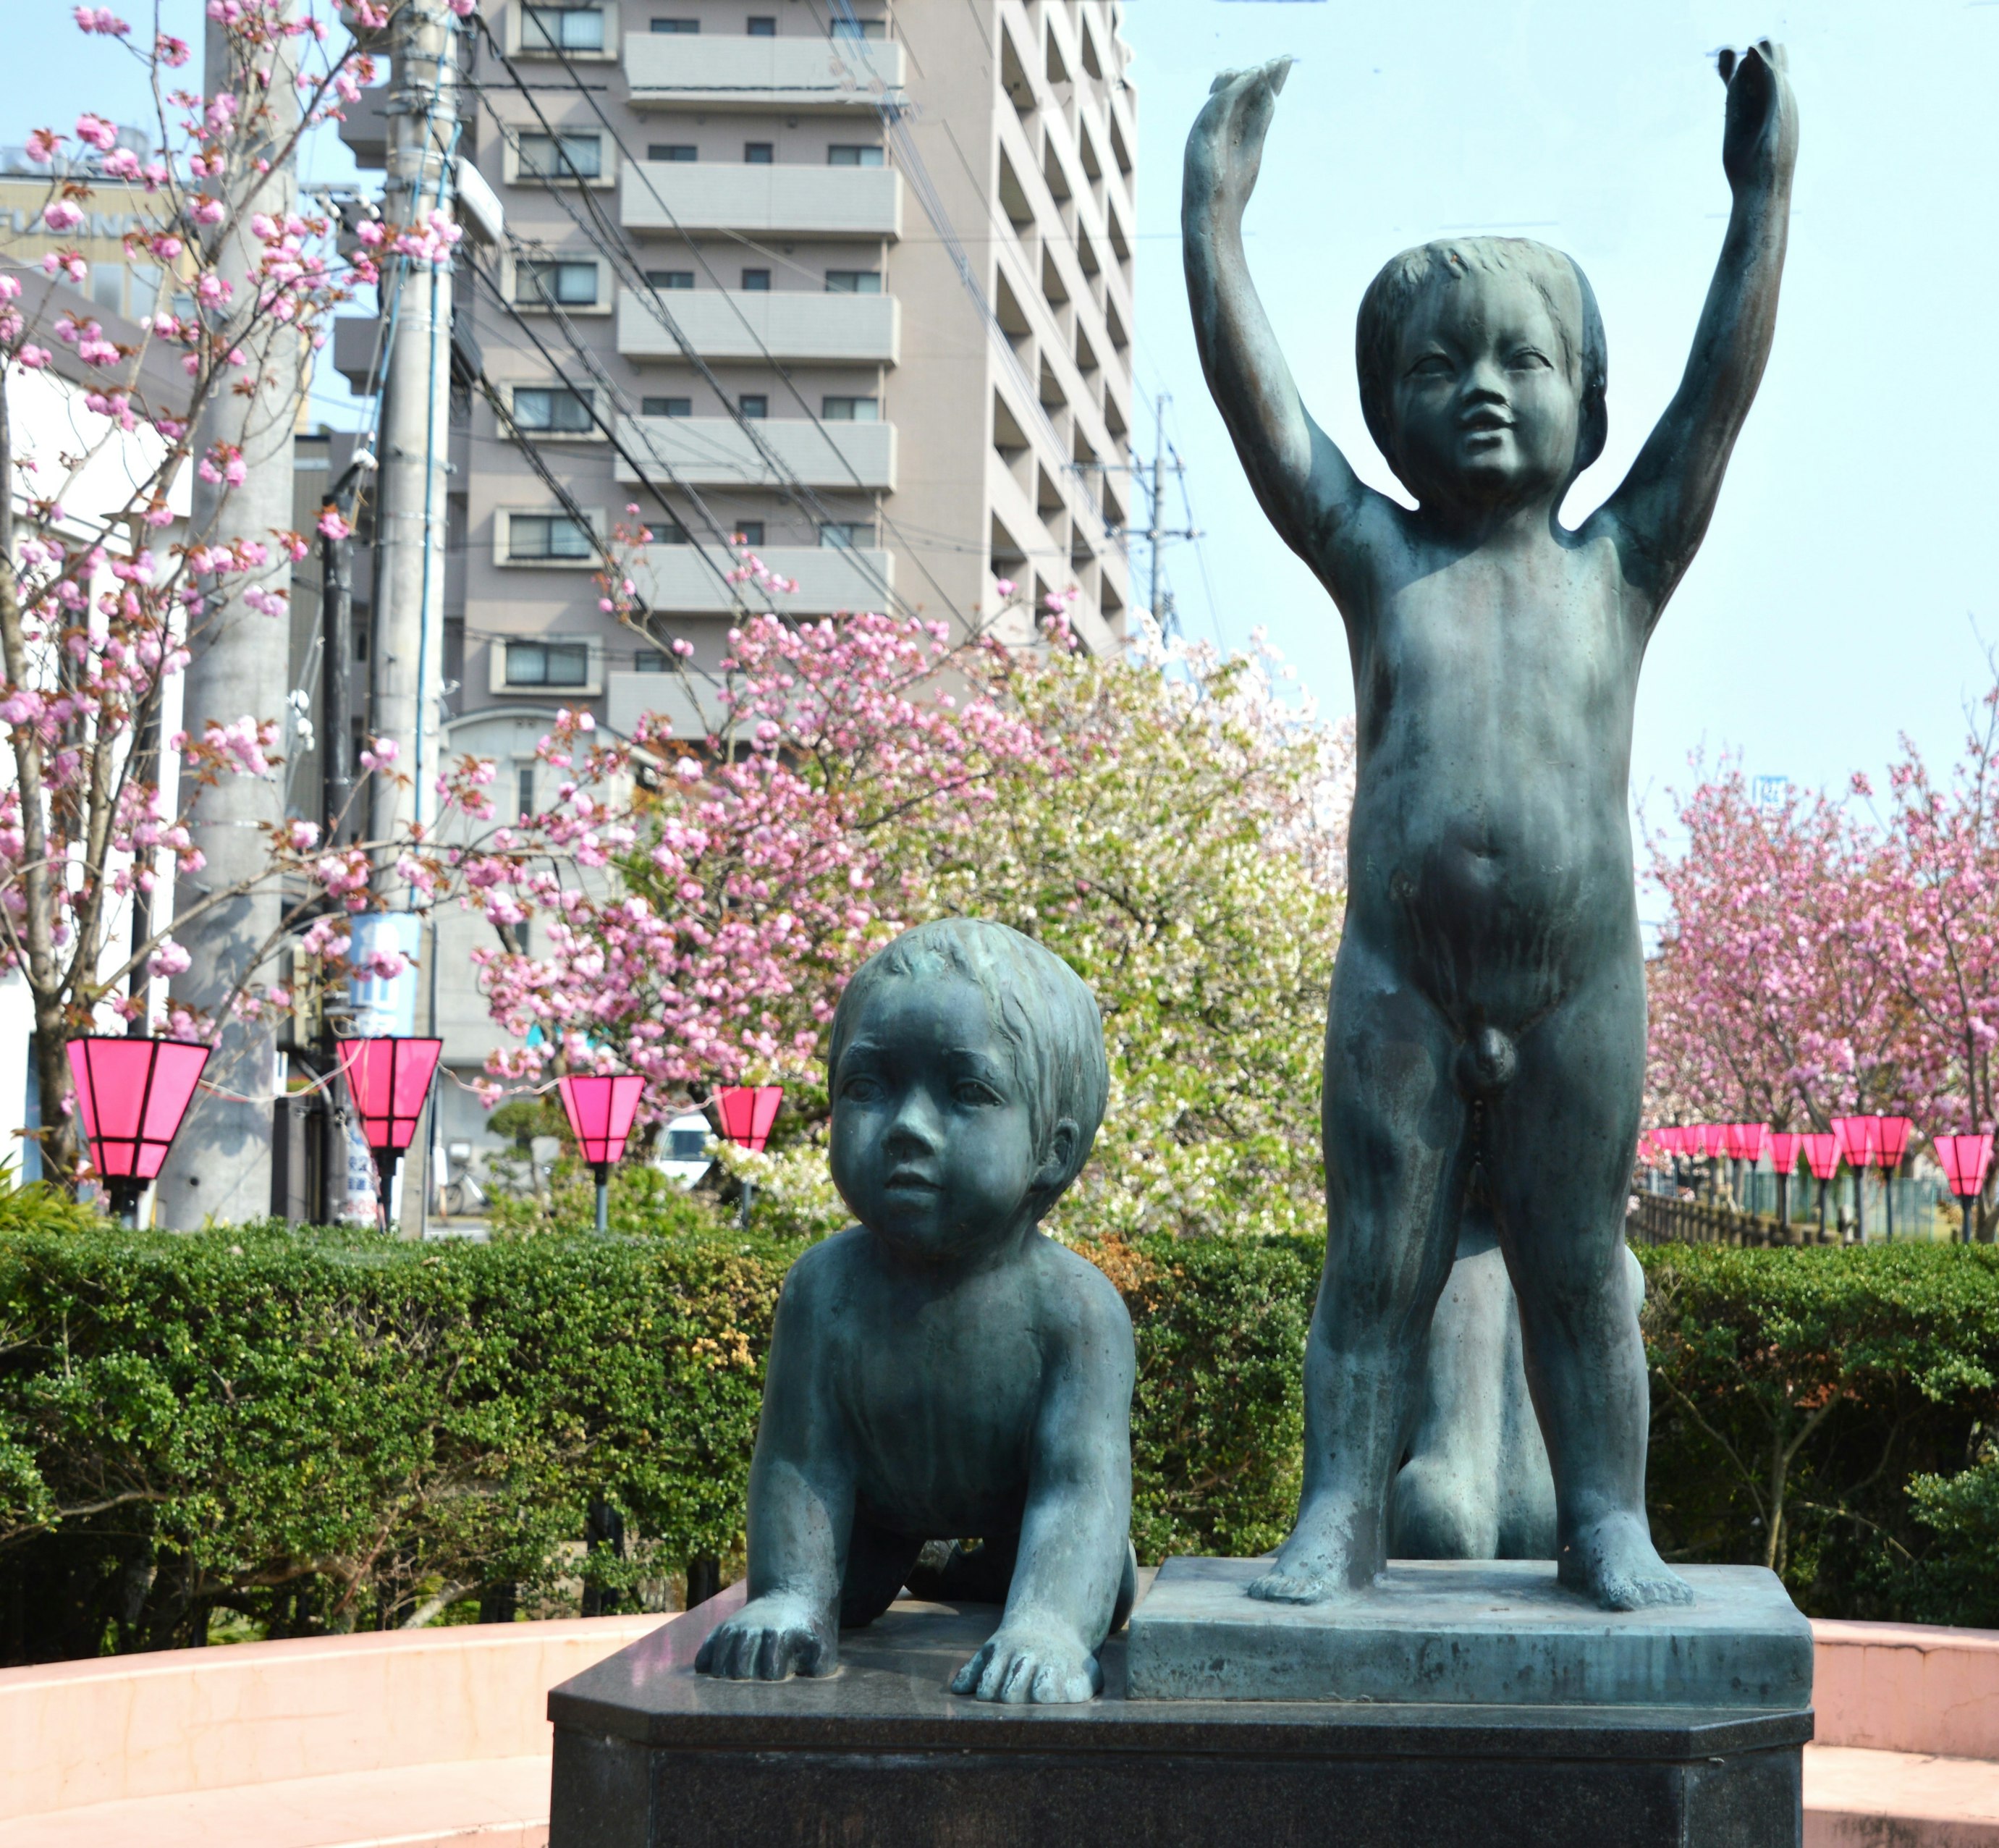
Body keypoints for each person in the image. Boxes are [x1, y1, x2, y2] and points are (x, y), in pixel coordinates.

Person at [1182, 42, 1796, 1611]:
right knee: (1373, 1265)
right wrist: (1213, 226)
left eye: (1524, 362)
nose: (1481, 389)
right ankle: (1337, 1517)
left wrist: (1761, 198)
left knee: (1580, 1270)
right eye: (1440, 366)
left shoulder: (1623, 560)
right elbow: (1273, 438)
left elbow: (1717, 400)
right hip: (1399, 975)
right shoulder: (1376, 554)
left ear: (1588, 405)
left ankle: (1608, 1520)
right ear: (1390, 407)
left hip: (1579, 977)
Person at [693, 920, 1136, 1702]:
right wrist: (790, 1594)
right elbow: (801, 1461)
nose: (905, 1127)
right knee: (843, 1601)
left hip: (1026, 1509)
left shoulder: (1075, 1310)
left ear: (1055, 1149)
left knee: (1067, 1582)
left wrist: (1051, 1628)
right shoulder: (824, 1291)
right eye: (869, 1086)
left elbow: (1076, 1485)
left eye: (967, 1092)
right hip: (876, 1521)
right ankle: (873, 1576)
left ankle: (1039, 1582)